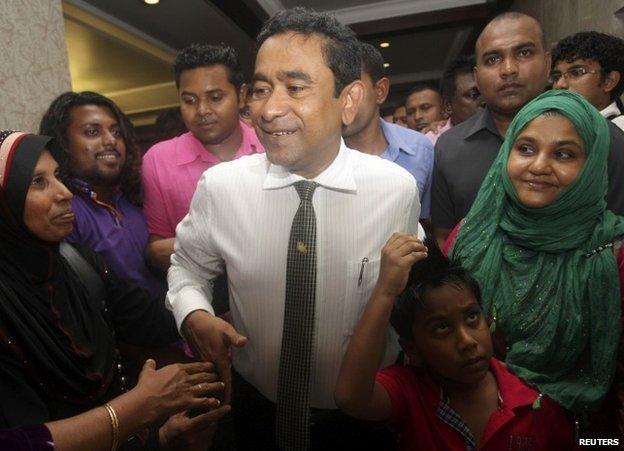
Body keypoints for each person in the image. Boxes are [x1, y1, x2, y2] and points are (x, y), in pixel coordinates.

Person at [167, 7, 421, 450]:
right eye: (262, 89)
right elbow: (186, 268)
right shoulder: (221, 188)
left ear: (349, 100)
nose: (269, 108)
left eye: (295, 87)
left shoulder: (395, 190)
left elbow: (406, 303)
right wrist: (195, 314)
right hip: (253, 413)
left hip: (360, 422)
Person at [0, 130, 230, 449]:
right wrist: (138, 407)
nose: (64, 192)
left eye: (58, 176)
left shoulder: (78, 264)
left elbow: (154, 320)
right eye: (38, 182)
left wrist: (234, 271)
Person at [446, 90, 624, 432]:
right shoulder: (470, 235)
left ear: (592, 165)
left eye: (564, 154)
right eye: (525, 148)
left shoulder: (612, 255)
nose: (539, 166)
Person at [335, 235, 574, 449]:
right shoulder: (410, 391)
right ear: (412, 349)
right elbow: (351, 397)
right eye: (441, 328)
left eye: (472, 317)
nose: (467, 341)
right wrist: (386, 290)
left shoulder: (533, 402)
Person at [431, 12, 624, 247]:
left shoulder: (601, 137)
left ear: (548, 62)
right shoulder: (450, 147)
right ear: (477, 76)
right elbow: (445, 237)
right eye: (492, 59)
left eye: (524, 53)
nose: (509, 69)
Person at [142, 43, 263, 271]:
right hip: (200, 300)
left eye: (215, 97)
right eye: (189, 100)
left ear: (242, 95)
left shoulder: (271, 146)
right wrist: (225, 245)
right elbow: (156, 252)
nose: (202, 110)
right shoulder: (158, 160)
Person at [39, 92, 166, 299]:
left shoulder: (138, 196)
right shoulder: (64, 211)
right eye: (92, 132)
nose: (110, 141)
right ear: (63, 143)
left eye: (116, 132)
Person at [344, 42, 434, 219]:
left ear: (380, 91)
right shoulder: (317, 157)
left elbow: (426, 223)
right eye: (335, 90)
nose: (343, 101)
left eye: (352, 90)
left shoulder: (419, 150)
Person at [551, 31, 624, 132]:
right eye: (556, 76)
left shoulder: (618, 131)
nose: (560, 84)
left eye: (576, 72)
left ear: (609, 81)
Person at [425, 55, 482, 145]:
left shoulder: (505, 130)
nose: (484, 101)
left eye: (486, 93)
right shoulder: (432, 144)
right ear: (448, 106)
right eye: (473, 95)